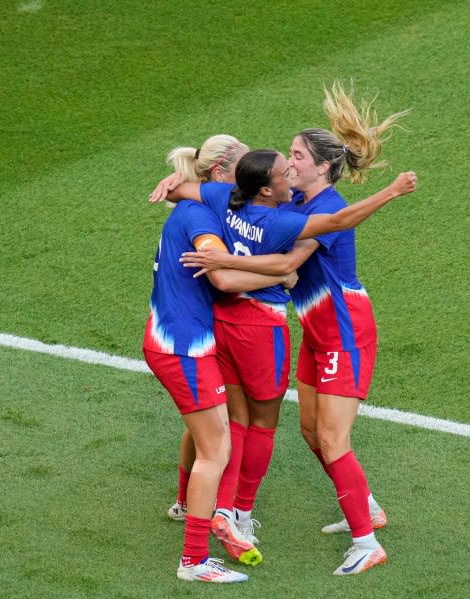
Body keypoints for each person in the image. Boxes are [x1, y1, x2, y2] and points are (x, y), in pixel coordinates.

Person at [177, 82, 410, 575]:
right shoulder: (295, 204)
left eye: (298, 156)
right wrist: (184, 187)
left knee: (332, 438)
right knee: (308, 431)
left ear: (321, 166)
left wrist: (220, 265)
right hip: (316, 332)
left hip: (345, 331)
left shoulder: (325, 208)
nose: (291, 162)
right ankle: (366, 507)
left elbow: (288, 261)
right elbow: (249, 207)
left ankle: (367, 543)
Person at [143, 162, 295, 583]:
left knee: (204, 431)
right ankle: (193, 561)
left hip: (176, 340)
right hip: (184, 347)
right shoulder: (201, 218)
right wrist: (282, 270)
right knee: (217, 449)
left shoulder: (196, 209)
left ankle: (182, 504)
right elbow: (224, 277)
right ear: (219, 171)